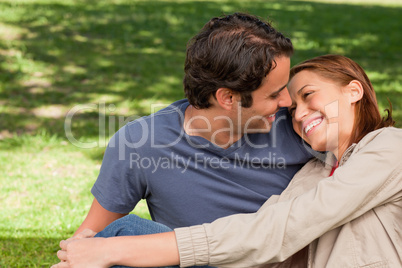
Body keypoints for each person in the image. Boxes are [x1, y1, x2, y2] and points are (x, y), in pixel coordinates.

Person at [53, 54, 401, 268]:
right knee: (121, 234)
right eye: (292, 107)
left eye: (308, 96)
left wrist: (113, 249)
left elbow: (276, 229)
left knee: (122, 237)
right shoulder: (312, 170)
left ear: (354, 91)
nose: (296, 113)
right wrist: (96, 249)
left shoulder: (389, 149)